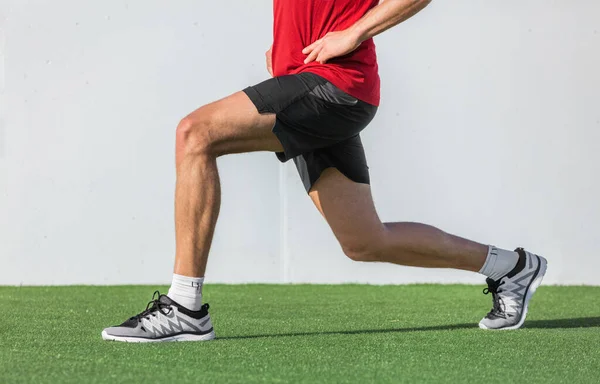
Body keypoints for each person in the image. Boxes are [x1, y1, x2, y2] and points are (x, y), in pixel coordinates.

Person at [102, 0, 547, 342]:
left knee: (195, 134)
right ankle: (511, 267)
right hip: (310, 83)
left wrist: (353, 33)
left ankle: (185, 307)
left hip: (336, 86)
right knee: (365, 241)